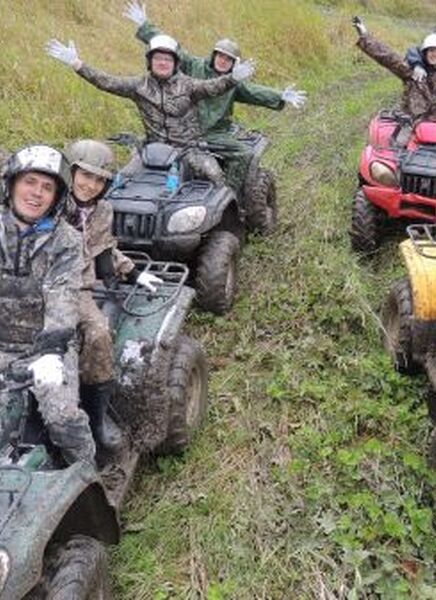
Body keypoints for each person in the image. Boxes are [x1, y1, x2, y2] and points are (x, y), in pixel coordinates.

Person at [123, 1, 307, 194]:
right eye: (220, 55)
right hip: (183, 129)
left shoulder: (233, 83)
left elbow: (255, 92)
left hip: (215, 133)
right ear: (213, 55)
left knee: (245, 154)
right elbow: (171, 49)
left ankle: (231, 194)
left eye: (228, 59)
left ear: (234, 64)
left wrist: (281, 95)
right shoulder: (195, 66)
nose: (222, 61)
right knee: (145, 152)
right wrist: (144, 25)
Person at [45, 34, 255, 185]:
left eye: (167, 59)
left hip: (189, 150)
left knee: (216, 179)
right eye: (158, 58)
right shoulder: (138, 86)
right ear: (150, 62)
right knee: (120, 182)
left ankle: (237, 219)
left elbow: (212, 87)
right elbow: (106, 81)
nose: (162, 62)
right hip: (152, 151)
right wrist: (77, 64)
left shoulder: (189, 85)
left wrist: (233, 78)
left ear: (175, 63)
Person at [64, 140, 163, 454]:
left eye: (99, 180)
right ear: (71, 171)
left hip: (76, 287)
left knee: (99, 334)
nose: (90, 185)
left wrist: (133, 272)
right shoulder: (52, 200)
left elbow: (104, 249)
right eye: (85, 175)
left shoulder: (103, 210)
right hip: (36, 283)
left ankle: (97, 417)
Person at [0, 145, 95, 465]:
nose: (37, 193)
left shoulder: (65, 239)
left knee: (63, 418)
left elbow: (63, 295)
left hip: (46, 347)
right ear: (12, 184)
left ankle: (88, 474)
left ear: (56, 197)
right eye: (30, 182)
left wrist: (52, 351)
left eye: (47, 187)